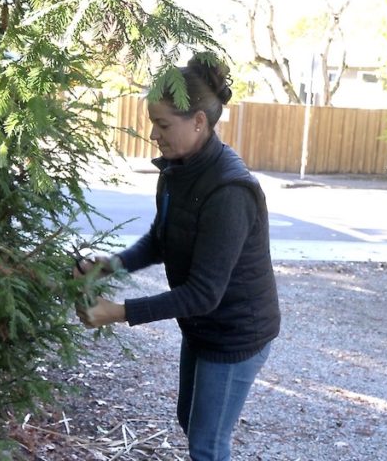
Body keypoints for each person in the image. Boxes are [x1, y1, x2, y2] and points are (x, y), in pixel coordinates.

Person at [75, 53, 281, 461]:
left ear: (199, 122)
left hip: (236, 335)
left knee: (207, 443)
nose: (154, 134)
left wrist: (116, 311)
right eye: (154, 122)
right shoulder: (178, 170)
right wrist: (108, 266)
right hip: (203, 328)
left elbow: (204, 294)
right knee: (191, 422)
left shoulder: (229, 191)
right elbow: (159, 240)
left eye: (163, 124)